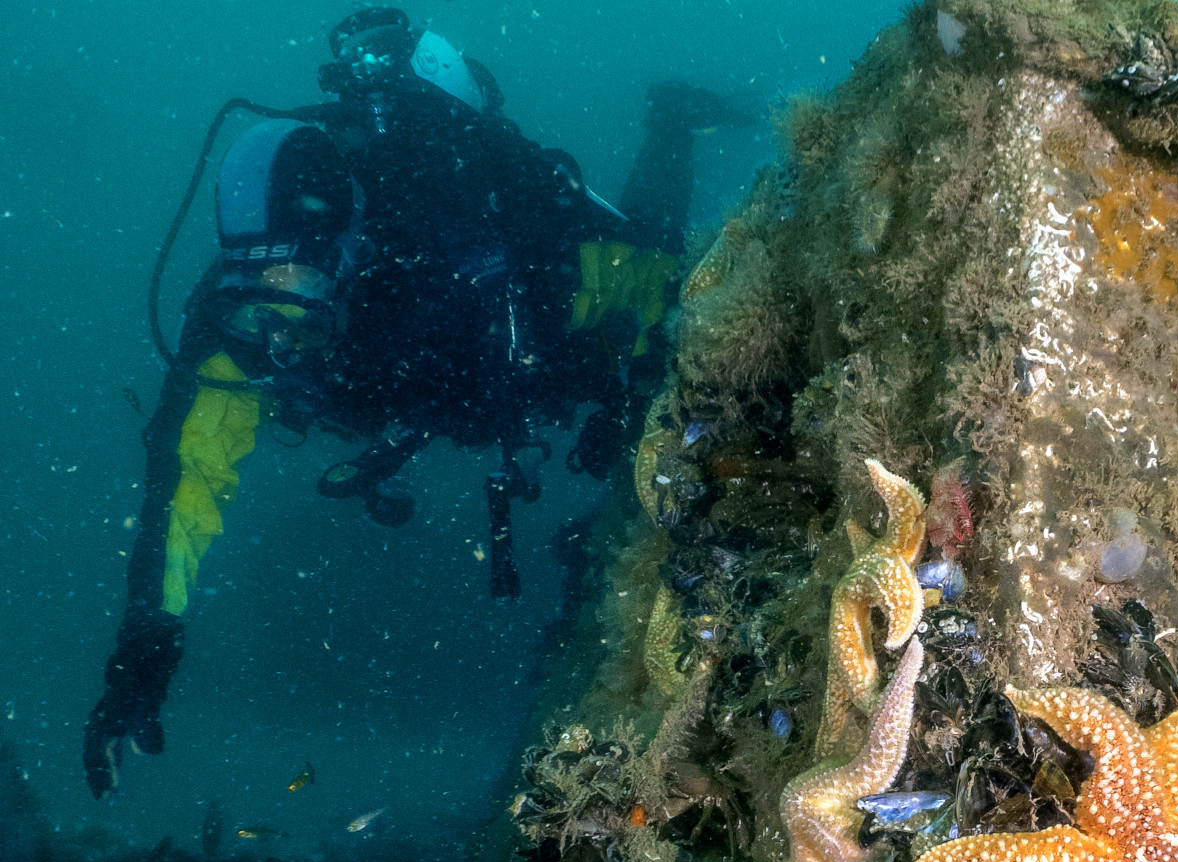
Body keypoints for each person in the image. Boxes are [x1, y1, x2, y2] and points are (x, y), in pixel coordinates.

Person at [83, 8, 746, 798]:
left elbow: (632, 282)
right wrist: (144, 654)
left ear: (351, 250)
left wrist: (629, 384)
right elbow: (184, 478)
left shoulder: (462, 234)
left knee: (656, 253)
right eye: (256, 298)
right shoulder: (238, 315)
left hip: (532, 328)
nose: (277, 336)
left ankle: (671, 119)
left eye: (296, 294)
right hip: (433, 381)